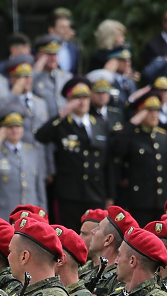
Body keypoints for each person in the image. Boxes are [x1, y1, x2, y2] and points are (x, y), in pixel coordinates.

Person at [35, 77, 109, 230]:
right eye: (77, 98)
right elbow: (41, 136)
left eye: (85, 97)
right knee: (69, 236)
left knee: (95, 236)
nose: (82, 102)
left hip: (95, 191)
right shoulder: (62, 124)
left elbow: (108, 163)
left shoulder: (100, 124)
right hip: (69, 193)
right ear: (68, 100)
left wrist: (110, 195)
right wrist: (63, 114)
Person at [109, 94, 167, 226]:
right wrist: (132, 124)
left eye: (157, 111)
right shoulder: (131, 135)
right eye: (149, 111)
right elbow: (117, 150)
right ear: (140, 113)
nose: (154, 115)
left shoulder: (163, 136)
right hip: (140, 200)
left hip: (160, 199)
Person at [0, 105, 46, 219]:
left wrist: (42, 215)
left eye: (18, 126)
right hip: (3, 216)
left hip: (29, 218)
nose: (15, 130)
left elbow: (39, 188)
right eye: (10, 127)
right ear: (2, 129)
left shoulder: (33, 152)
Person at [31, 35, 72, 118]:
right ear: (39, 56)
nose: (53, 58)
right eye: (49, 54)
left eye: (55, 54)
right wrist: (35, 70)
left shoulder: (66, 77)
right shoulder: (34, 78)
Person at [48, 8, 80, 74]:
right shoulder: (44, 49)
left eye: (68, 27)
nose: (67, 31)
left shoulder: (74, 49)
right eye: (62, 27)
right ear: (51, 30)